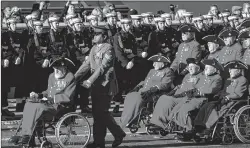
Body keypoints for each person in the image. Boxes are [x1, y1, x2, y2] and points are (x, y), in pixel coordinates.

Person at [74, 26, 126, 148]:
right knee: (97, 113)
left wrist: (89, 80)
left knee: (101, 112)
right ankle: (99, 141)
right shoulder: (93, 48)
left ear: (104, 36)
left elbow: (102, 68)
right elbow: (86, 65)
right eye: (94, 35)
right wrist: (73, 78)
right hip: (96, 85)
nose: (94, 37)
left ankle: (118, 133)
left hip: (105, 84)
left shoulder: (108, 48)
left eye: (97, 35)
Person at [19, 57, 76, 145]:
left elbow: (68, 97)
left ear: (64, 68)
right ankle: (27, 136)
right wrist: (38, 95)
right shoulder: (51, 76)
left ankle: (28, 136)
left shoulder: (70, 77)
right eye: (54, 69)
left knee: (37, 107)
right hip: (48, 103)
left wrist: (52, 98)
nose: (55, 71)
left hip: (60, 106)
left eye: (58, 69)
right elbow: (48, 92)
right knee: (29, 103)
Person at [169, 58, 223, 133]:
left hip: (204, 98)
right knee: (177, 108)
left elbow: (213, 89)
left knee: (185, 109)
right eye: (205, 67)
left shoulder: (217, 78)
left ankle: (189, 128)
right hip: (193, 97)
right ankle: (181, 127)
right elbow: (195, 85)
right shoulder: (203, 76)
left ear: (213, 69)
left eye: (207, 68)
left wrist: (199, 92)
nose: (205, 69)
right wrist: (191, 91)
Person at [194, 61, 249, 134]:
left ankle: (207, 127)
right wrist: (218, 95)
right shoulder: (228, 80)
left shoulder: (243, 80)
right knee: (207, 106)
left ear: (238, 71)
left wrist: (227, 97)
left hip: (234, 101)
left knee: (216, 110)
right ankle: (198, 125)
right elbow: (223, 90)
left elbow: (238, 94)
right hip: (223, 99)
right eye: (229, 69)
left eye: (231, 69)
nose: (229, 71)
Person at [121, 54, 174, 128]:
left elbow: (165, 84)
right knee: (129, 96)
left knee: (137, 99)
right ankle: (126, 120)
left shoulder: (168, 71)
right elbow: (145, 81)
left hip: (154, 93)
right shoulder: (152, 71)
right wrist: (137, 87)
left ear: (162, 64)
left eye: (156, 62)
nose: (153, 64)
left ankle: (131, 120)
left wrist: (153, 89)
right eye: (153, 62)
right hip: (143, 91)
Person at [149, 58, 203, 129]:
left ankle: (165, 123)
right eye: (189, 67)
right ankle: (158, 121)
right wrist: (173, 91)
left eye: (192, 67)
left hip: (186, 97)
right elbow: (181, 85)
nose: (190, 69)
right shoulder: (187, 76)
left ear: (198, 68)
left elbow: (199, 89)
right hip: (178, 95)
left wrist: (182, 94)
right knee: (163, 98)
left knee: (168, 100)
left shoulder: (202, 76)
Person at [66, 18, 92, 113]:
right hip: (75, 64)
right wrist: (83, 57)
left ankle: (84, 106)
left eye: (80, 24)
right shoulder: (69, 36)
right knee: (74, 87)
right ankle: (73, 107)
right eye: (77, 24)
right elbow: (72, 50)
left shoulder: (85, 35)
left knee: (85, 86)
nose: (80, 26)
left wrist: (88, 56)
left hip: (85, 64)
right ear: (73, 26)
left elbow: (89, 46)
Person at [112, 18, 138, 113]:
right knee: (118, 85)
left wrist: (132, 60)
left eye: (129, 25)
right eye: (127, 25)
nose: (129, 27)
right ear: (122, 26)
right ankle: (117, 105)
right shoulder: (117, 37)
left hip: (130, 62)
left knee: (131, 84)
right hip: (120, 64)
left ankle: (131, 104)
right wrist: (126, 63)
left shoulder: (131, 36)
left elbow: (135, 50)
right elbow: (118, 52)